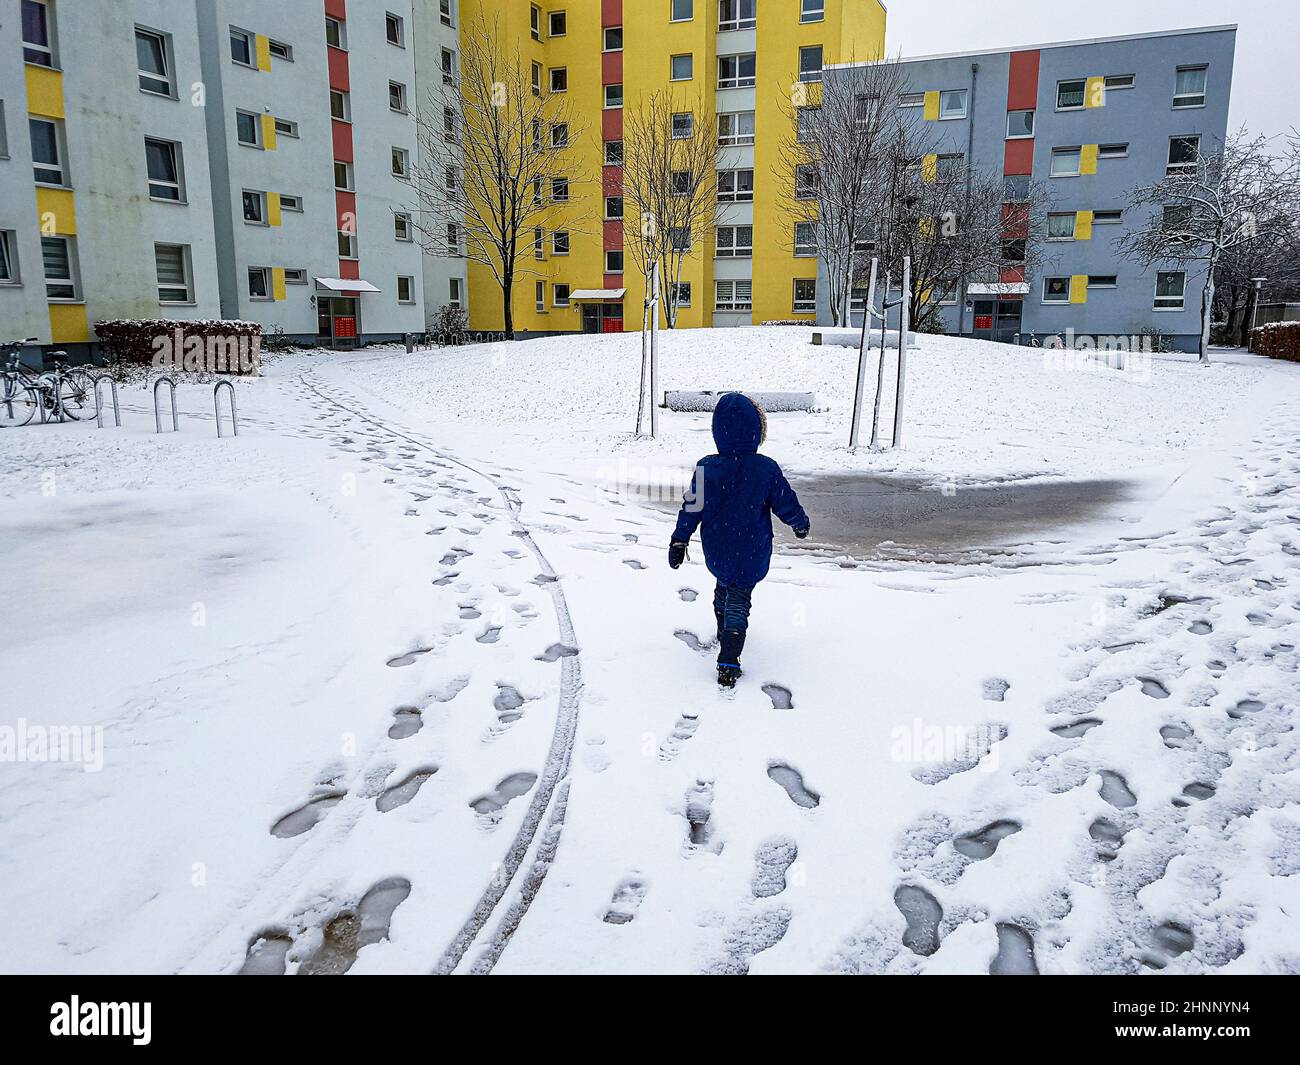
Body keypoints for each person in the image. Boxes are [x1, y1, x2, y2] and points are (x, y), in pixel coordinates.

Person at [669, 392, 810, 688]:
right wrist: (799, 523)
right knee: (739, 601)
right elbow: (786, 502)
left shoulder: (707, 467)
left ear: (718, 430)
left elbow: (691, 507)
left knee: (724, 589)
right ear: (756, 430)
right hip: (751, 549)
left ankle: (724, 630)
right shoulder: (765, 468)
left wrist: (679, 539)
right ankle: (728, 660)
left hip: (718, 548)